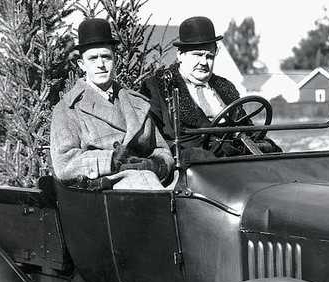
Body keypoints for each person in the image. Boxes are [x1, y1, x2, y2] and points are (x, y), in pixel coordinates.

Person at [51, 18, 174, 190]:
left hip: (148, 179)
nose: (101, 64)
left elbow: (162, 150)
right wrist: (110, 160)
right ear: (81, 64)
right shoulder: (68, 108)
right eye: (93, 58)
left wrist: (155, 165)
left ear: (114, 60)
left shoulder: (136, 103)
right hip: (103, 187)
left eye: (106, 57)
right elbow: (64, 164)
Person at [141, 16, 259, 155]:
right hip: (195, 164)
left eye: (209, 56)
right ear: (180, 55)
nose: (204, 62)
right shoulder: (159, 87)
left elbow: (247, 128)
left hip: (236, 159)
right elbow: (153, 139)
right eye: (197, 54)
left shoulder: (225, 88)